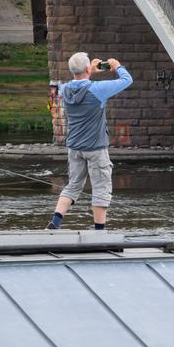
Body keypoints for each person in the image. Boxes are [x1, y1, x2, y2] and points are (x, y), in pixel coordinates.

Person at [46, 53, 133, 231]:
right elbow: (127, 80)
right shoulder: (98, 89)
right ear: (87, 68)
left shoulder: (65, 89)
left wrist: (89, 71)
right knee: (101, 188)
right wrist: (116, 65)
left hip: (74, 147)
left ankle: (54, 223)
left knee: (73, 185)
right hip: (95, 148)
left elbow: (79, 83)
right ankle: (99, 232)